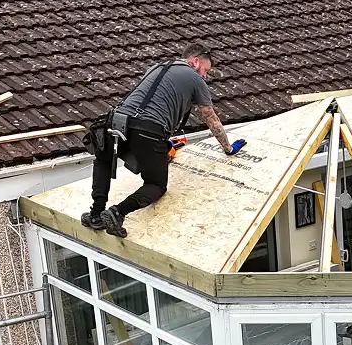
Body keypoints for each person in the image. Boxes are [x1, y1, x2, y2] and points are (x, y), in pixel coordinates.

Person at [82, 43, 240, 237]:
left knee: (104, 160)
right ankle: (117, 213)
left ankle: (96, 214)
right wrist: (228, 147)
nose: (204, 76)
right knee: (156, 185)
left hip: (115, 121)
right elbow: (210, 117)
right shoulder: (195, 79)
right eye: (205, 70)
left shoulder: (157, 67)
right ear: (195, 61)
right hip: (147, 131)